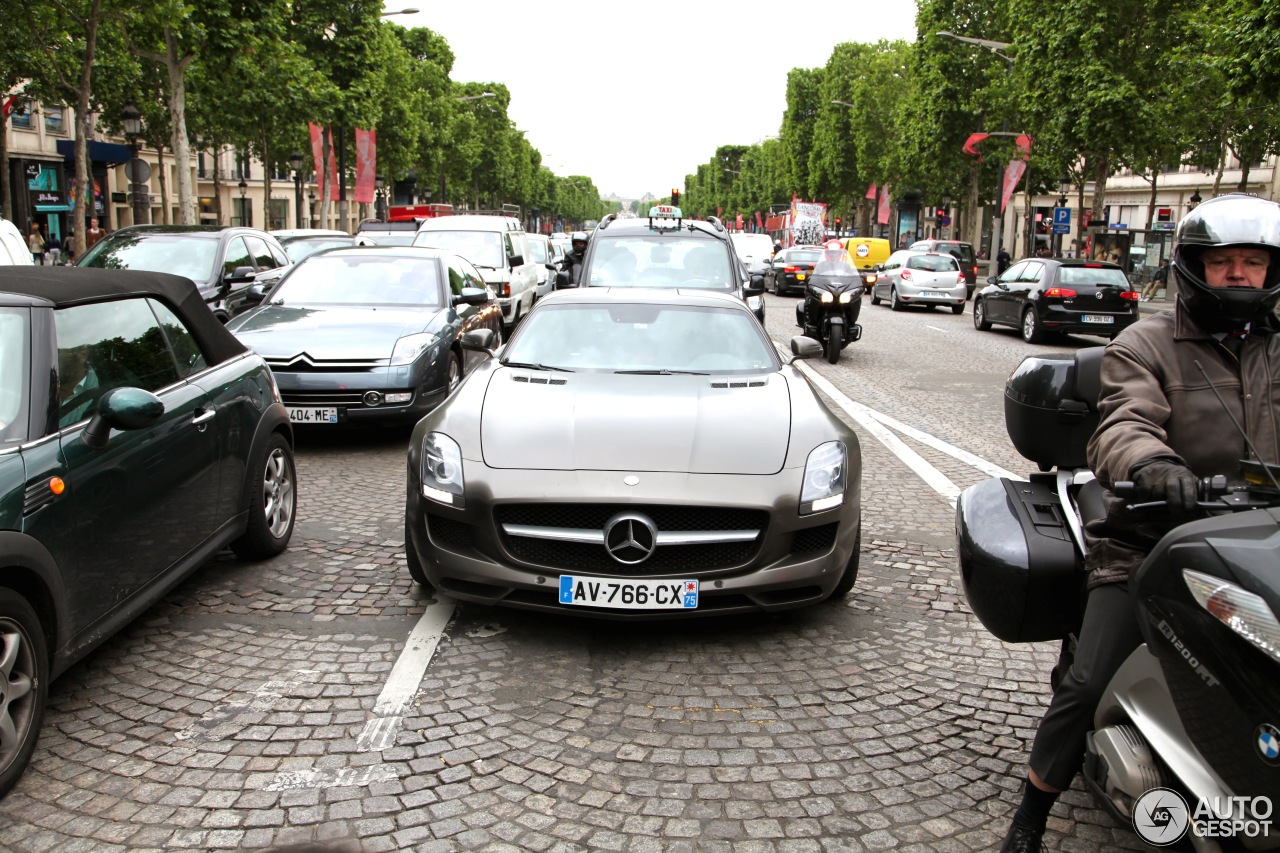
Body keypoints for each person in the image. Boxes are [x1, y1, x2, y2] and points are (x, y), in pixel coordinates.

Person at [999, 193, 1280, 853]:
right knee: (1088, 678)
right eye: (1224, 262)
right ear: (1194, 267)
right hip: (1153, 540)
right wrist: (1154, 465)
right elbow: (1122, 420)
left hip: (1261, 539)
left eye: (1254, 262)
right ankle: (1029, 815)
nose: (1240, 274)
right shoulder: (1147, 342)